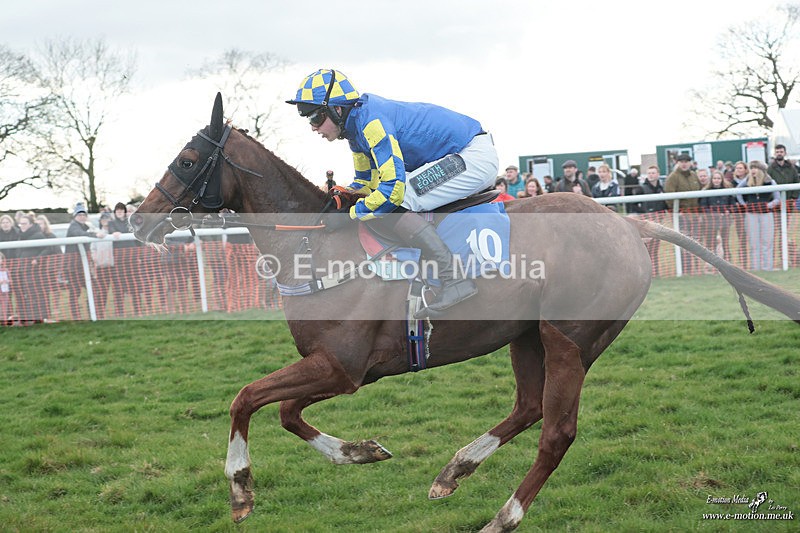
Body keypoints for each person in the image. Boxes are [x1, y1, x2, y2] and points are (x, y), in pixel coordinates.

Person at [286, 68, 499, 317]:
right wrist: (339, 198)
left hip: (472, 155)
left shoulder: (372, 124)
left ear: (337, 109)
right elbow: (365, 184)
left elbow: (391, 192)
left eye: (315, 118)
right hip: (461, 153)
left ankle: (454, 280)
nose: (313, 128)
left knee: (401, 196)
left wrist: (350, 215)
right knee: (385, 197)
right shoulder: (355, 131)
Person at [737, 161, 780, 271]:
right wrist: (744, 205)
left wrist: (768, 205)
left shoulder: (770, 181)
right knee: (753, 242)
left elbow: (777, 198)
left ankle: (767, 267)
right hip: (751, 214)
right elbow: (737, 191)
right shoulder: (747, 181)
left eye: (755, 168)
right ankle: (755, 268)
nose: (753, 170)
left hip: (766, 214)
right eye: (752, 168)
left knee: (767, 241)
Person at [65, 203, 105, 319]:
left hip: (82, 266)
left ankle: (93, 313)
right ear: (75, 216)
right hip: (73, 268)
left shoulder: (84, 226)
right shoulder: (74, 226)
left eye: (84, 214)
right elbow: (80, 235)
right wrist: (95, 234)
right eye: (79, 214)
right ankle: (77, 317)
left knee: (93, 289)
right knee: (76, 293)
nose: (82, 217)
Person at [665, 153, 702, 274]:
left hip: (695, 216)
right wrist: (678, 211)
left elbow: (699, 195)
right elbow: (669, 198)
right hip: (681, 217)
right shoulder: (673, 177)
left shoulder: (694, 176)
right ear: (678, 163)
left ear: (690, 163)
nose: (684, 163)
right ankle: (686, 270)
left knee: (696, 242)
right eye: (682, 161)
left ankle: (696, 269)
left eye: (687, 161)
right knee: (684, 245)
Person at [108, 201, 142, 317]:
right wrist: (114, 232)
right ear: (115, 212)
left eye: (122, 211)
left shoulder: (130, 223)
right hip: (118, 261)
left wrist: (139, 256)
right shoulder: (111, 223)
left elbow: (138, 240)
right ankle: (120, 311)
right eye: (118, 211)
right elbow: (111, 232)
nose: (120, 213)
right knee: (119, 286)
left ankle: (138, 310)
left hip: (132, 259)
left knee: (134, 285)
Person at [699, 170, 735, 262]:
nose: (716, 180)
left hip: (725, 220)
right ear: (711, 179)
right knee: (711, 243)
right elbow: (703, 206)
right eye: (714, 178)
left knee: (725, 242)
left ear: (722, 179)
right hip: (711, 221)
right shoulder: (706, 191)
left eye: (718, 178)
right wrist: (714, 213)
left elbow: (732, 205)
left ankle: (727, 262)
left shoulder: (727, 190)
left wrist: (728, 211)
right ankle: (712, 263)